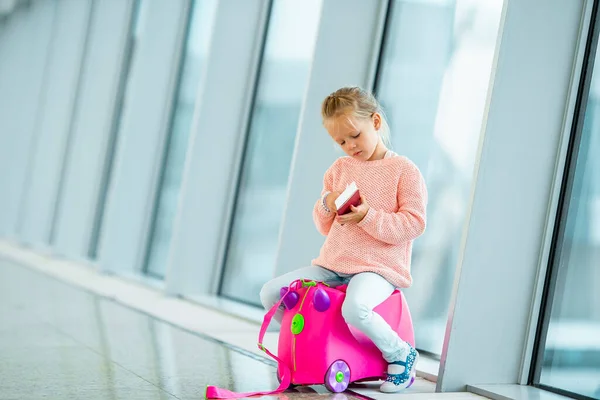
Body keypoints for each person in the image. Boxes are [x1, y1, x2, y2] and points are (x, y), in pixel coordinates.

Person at [260, 86, 428, 393]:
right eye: (340, 141)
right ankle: (315, 347)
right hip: (332, 265)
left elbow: (414, 224)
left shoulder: (404, 170)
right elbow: (324, 225)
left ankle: (400, 354)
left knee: (355, 309)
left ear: (375, 122)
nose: (349, 145)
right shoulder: (339, 169)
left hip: (378, 268)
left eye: (354, 135)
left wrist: (367, 216)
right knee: (272, 294)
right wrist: (329, 202)